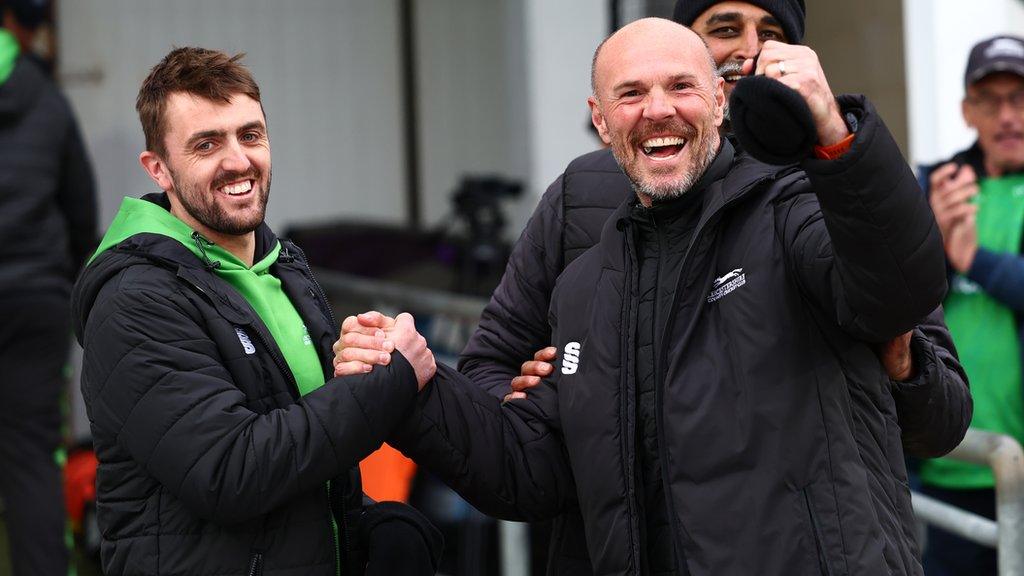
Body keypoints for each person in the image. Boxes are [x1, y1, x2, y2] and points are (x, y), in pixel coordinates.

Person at [339, 17, 952, 575]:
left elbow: (901, 291)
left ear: (719, 101)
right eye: (631, 94)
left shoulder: (791, 208)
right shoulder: (584, 287)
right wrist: (417, 388)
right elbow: (526, 475)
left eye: (682, 87)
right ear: (601, 120)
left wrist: (833, 131)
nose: (658, 111)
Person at [71, 47, 442, 576]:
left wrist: (366, 526)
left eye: (250, 135)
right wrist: (388, 381)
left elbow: (313, 452)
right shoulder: (135, 301)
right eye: (206, 144)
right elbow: (230, 472)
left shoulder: (282, 266)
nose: (239, 160)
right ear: (160, 170)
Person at [917, 34, 1024, 576]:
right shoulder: (934, 186)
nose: (1008, 116)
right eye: (990, 100)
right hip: (952, 462)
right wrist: (932, 245)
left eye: (1020, 97)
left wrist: (976, 261)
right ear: (966, 110)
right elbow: (893, 299)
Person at [0, 1, 97, 574]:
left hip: (34, 290)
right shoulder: (47, 99)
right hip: (35, 296)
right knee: (33, 459)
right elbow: (80, 208)